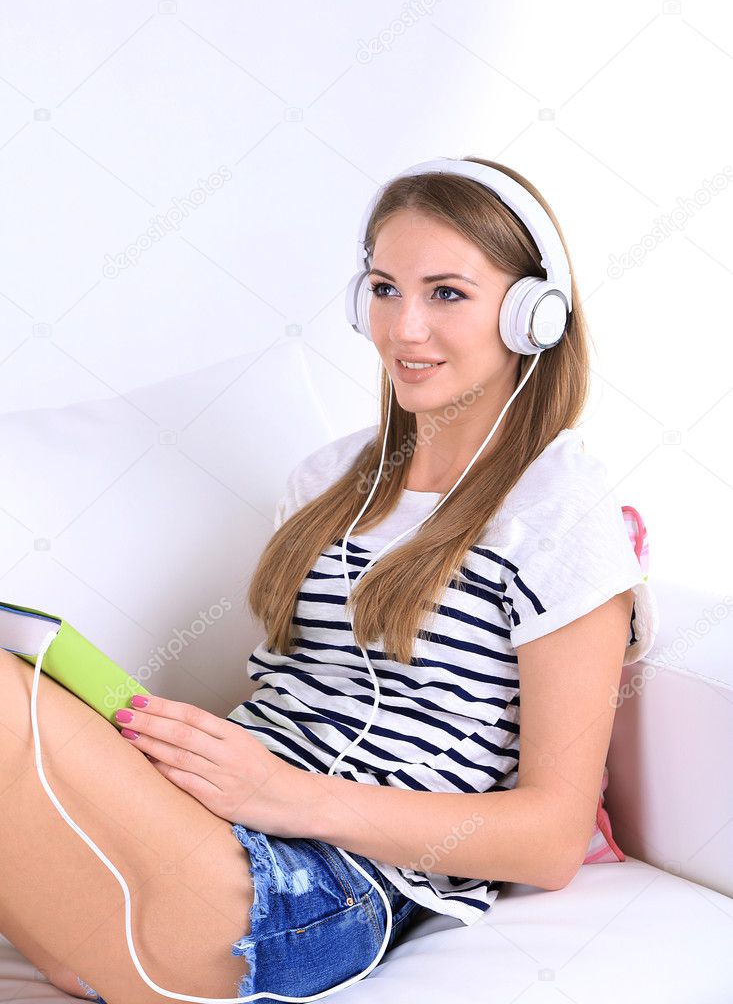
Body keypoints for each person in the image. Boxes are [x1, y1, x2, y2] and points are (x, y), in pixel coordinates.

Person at [0, 157, 657, 1004]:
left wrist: (281, 794)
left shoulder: (559, 510)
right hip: (205, 827)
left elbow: (550, 838)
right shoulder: (327, 477)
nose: (404, 328)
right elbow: (300, 699)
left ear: (533, 315)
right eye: (384, 289)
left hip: (314, 892)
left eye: (446, 293)